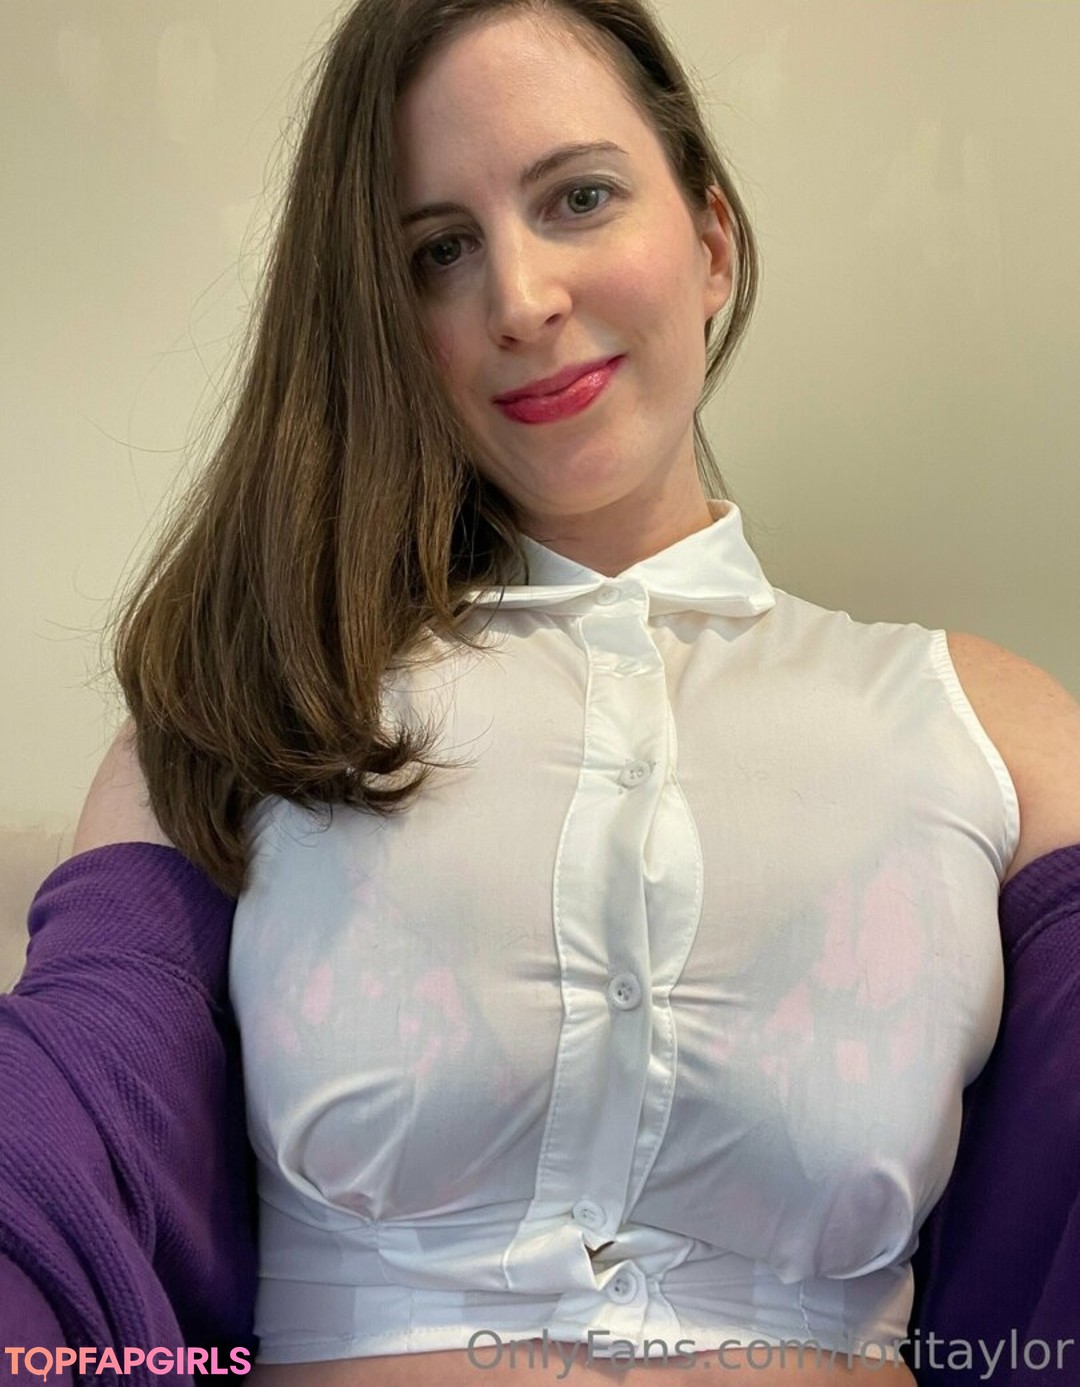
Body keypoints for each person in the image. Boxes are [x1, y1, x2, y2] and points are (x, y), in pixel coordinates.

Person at [2, 0, 1078, 1383]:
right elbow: (65, 1138)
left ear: (711, 240)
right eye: (439, 252)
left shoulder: (994, 732)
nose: (519, 300)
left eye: (579, 198)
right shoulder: (251, 714)